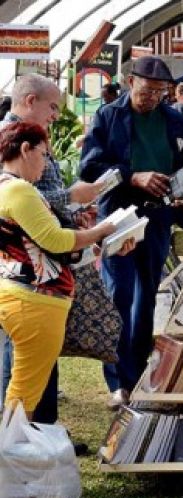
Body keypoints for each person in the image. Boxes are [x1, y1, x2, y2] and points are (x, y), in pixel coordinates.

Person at [80, 56, 183, 410]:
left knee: (147, 295)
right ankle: (117, 380)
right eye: (147, 91)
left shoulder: (175, 121)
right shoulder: (108, 116)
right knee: (119, 294)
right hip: (118, 217)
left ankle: (136, 375)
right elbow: (90, 167)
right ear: (131, 82)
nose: (152, 98)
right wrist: (133, 175)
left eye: (160, 93)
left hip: (157, 217)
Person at [0, 121, 130, 417]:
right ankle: (12, 453)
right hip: (35, 301)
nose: (45, 165)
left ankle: (14, 448)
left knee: (22, 386)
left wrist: (96, 242)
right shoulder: (20, 190)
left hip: (24, 295)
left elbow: (45, 247)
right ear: (25, 149)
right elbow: (56, 241)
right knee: (24, 392)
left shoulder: (10, 189)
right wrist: (102, 230)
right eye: (44, 155)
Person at [0, 73, 104, 428]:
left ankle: (37, 433)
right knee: (20, 371)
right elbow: (34, 211)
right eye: (53, 107)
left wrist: (78, 215)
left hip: (40, 282)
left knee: (34, 366)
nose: (56, 116)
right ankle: (21, 442)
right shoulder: (14, 150)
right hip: (28, 281)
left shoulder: (29, 142)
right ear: (30, 101)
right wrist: (77, 203)